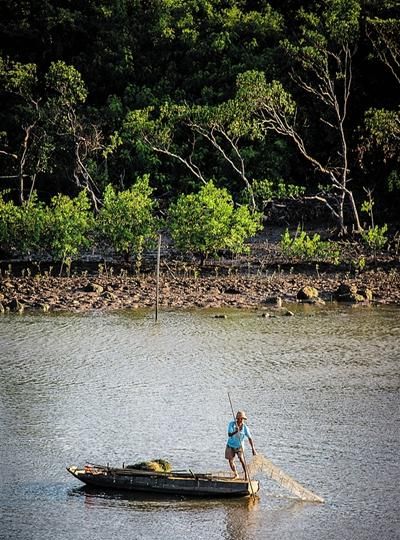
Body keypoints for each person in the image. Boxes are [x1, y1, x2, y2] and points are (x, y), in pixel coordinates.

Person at [225, 410, 257, 479]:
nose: (242, 420)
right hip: (230, 445)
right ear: (238, 419)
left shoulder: (245, 427)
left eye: (243, 419)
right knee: (230, 461)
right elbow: (229, 434)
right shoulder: (232, 424)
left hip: (239, 446)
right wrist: (236, 431)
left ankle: (246, 474)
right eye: (241, 419)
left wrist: (253, 449)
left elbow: (250, 438)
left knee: (241, 459)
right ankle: (236, 474)